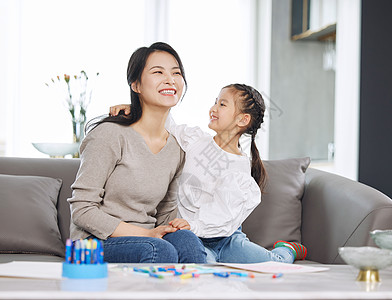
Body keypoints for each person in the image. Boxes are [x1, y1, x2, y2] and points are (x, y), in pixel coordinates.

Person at [110, 83, 307, 264]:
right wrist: (136, 110)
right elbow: (167, 125)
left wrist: (190, 224)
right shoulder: (196, 140)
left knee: (276, 263)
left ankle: (287, 249)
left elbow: (221, 218)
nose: (213, 108)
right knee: (205, 275)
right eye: (215, 102)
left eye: (222, 104)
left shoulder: (239, 170)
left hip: (227, 238)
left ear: (242, 119)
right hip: (193, 240)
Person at [67, 42, 207, 264]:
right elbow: (82, 210)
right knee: (160, 251)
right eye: (158, 72)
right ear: (136, 85)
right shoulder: (110, 135)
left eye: (176, 73)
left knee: (188, 242)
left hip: (150, 239)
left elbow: (165, 213)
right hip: (93, 243)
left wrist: (178, 225)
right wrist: (147, 234)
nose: (170, 79)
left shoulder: (177, 148)